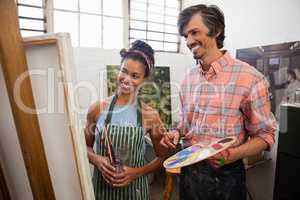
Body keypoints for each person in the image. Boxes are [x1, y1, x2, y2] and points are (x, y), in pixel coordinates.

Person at [160, 4, 277, 200]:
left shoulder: (250, 78)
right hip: (190, 172)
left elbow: (266, 136)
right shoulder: (188, 80)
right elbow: (185, 124)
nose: (188, 41)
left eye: (194, 32)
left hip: (227, 176)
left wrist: (233, 154)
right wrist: (175, 133)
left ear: (216, 30)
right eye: (185, 36)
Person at [85, 40, 166, 200]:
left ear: (144, 80)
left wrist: (136, 173)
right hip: (102, 190)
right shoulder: (97, 109)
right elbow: (84, 146)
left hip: (135, 191)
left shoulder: (150, 116)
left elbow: (162, 158)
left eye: (135, 76)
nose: (126, 79)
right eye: (124, 71)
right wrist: (97, 160)